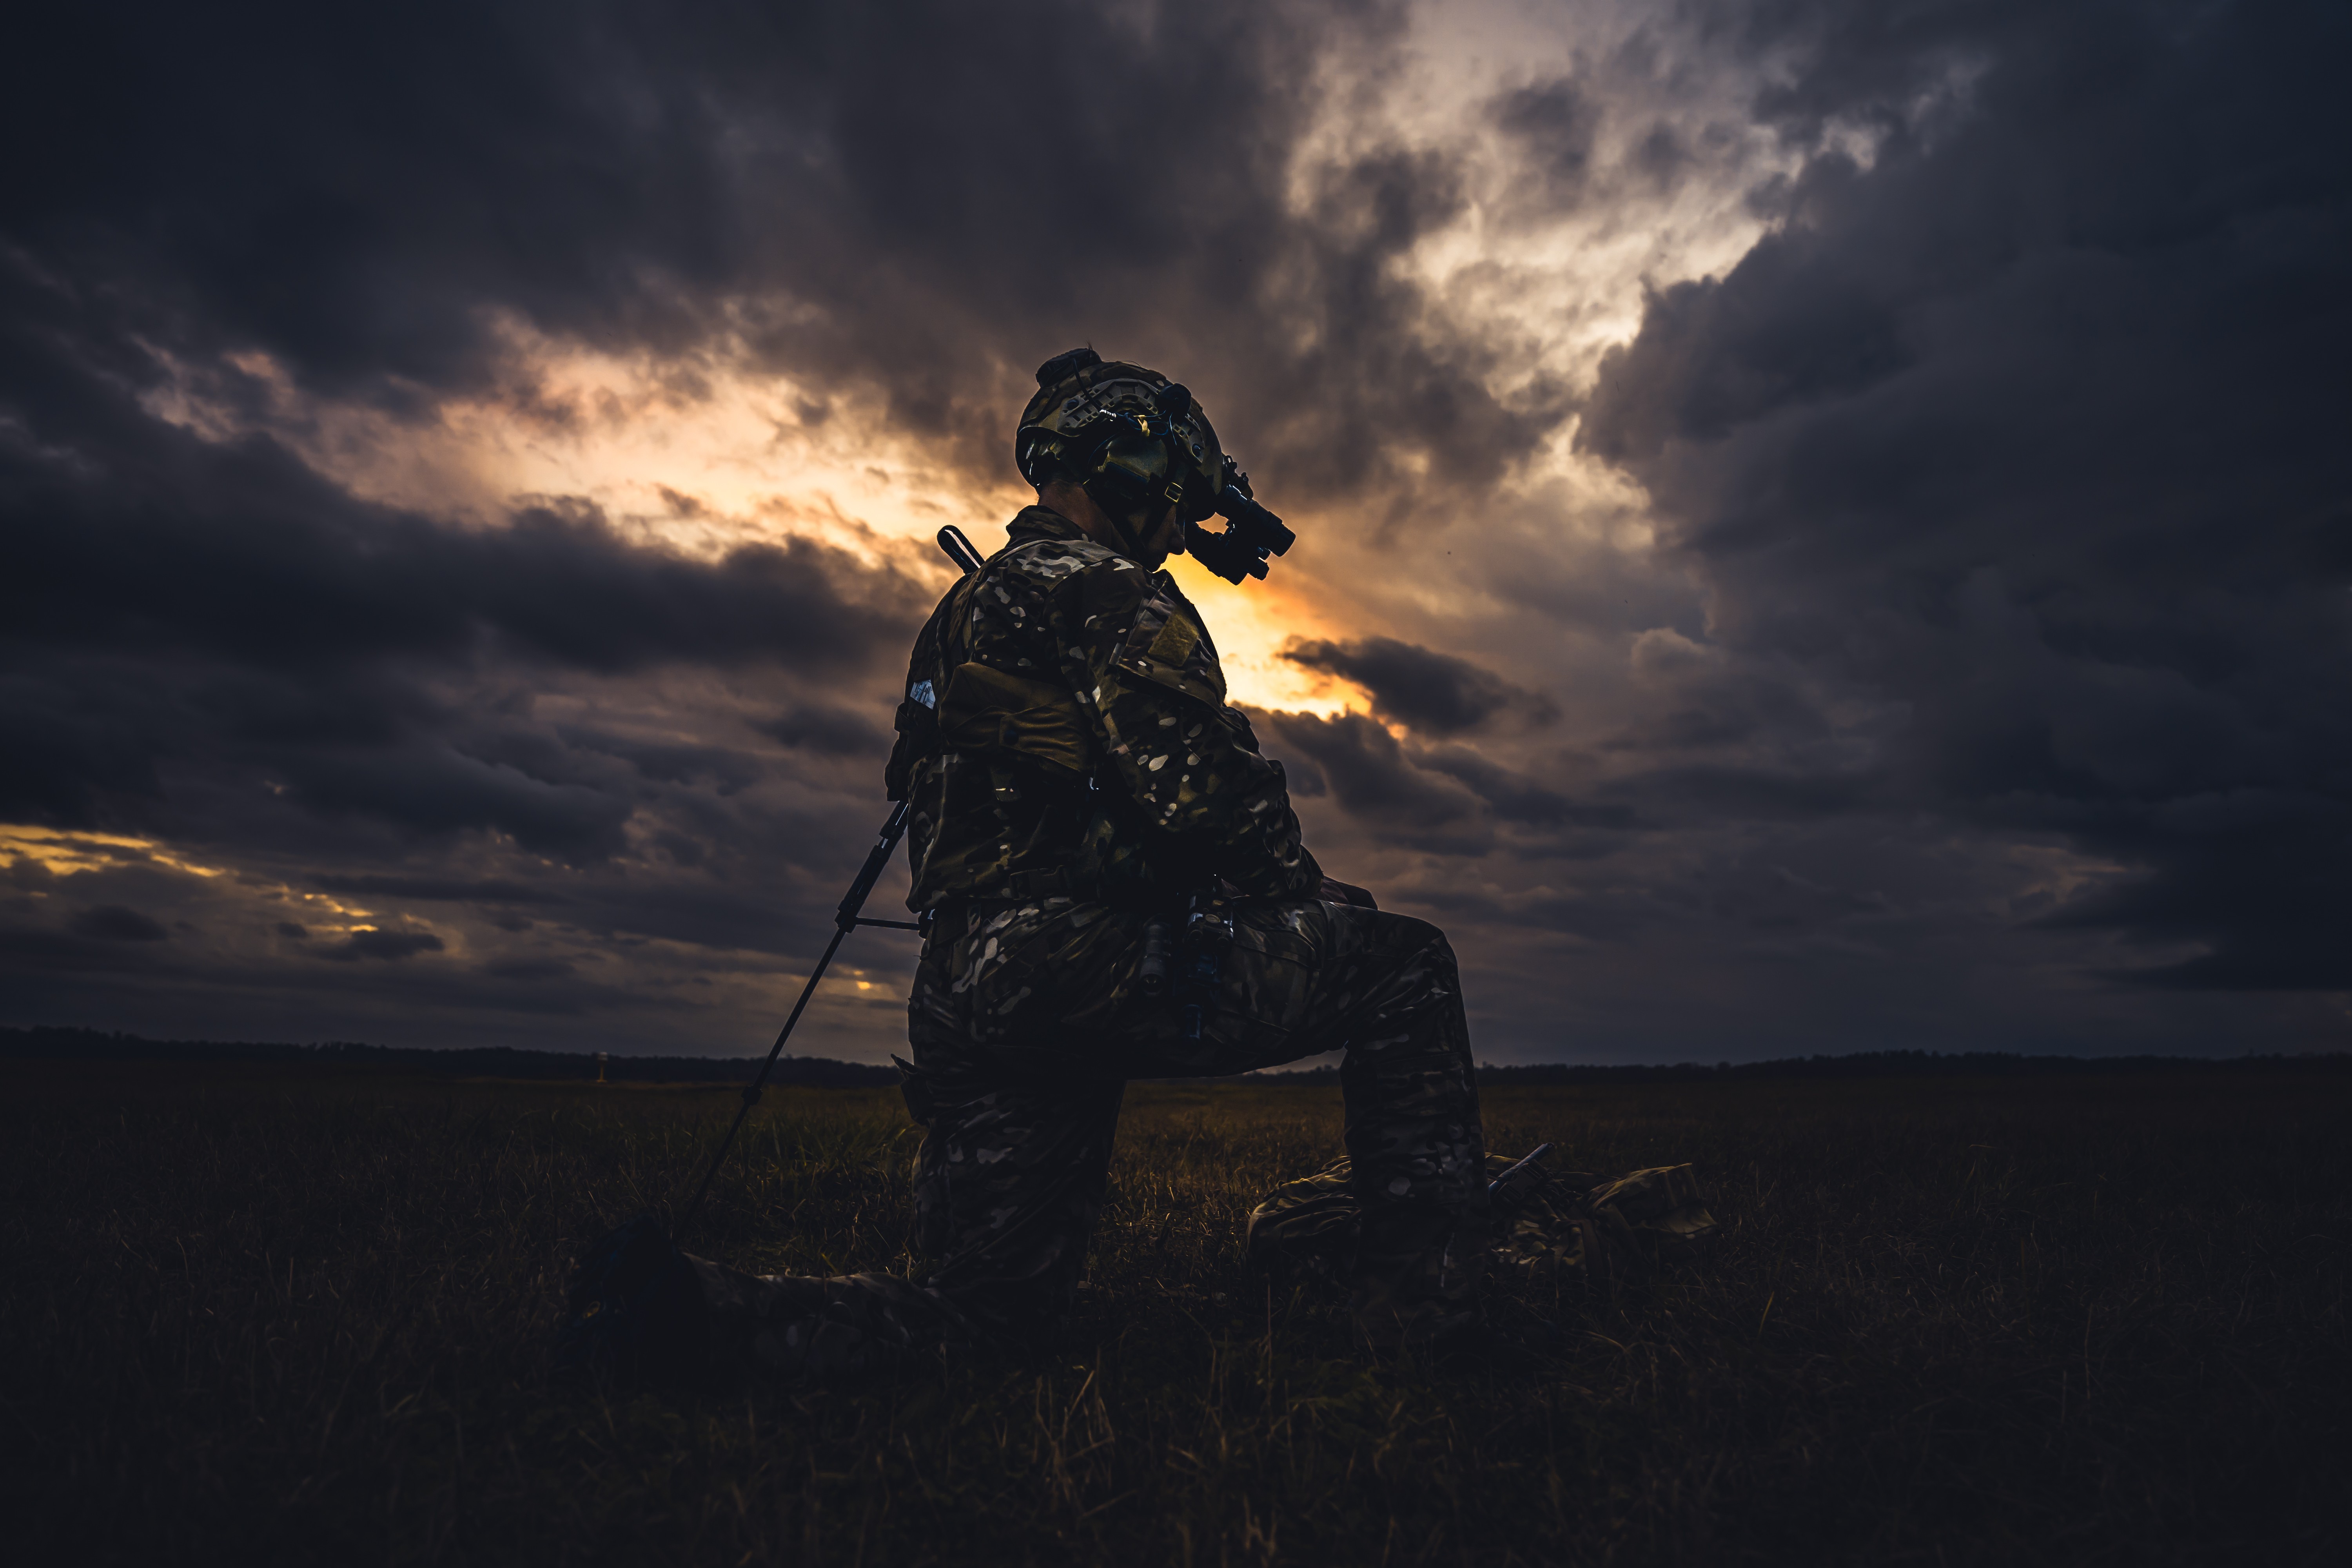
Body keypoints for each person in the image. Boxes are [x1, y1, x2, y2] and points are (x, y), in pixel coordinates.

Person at [557, 350, 1491, 1388]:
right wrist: (1302, 891)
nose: (1184, 526)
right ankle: (1424, 1325)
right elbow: (1209, 795)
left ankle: (684, 1315)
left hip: (965, 990)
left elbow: (935, 781)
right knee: (1408, 965)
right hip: (1080, 967)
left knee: (985, 1325)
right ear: (1130, 468)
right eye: (1176, 492)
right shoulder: (1111, 593)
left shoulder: (961, 614)